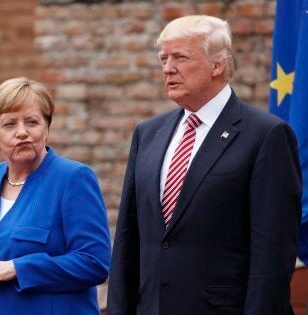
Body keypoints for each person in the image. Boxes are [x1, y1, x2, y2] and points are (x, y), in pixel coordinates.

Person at [107, 15, 302, 314]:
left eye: (180, 57)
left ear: (218, 64)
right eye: (163, 59)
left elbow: (272, 258)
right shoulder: (148, 134)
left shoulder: (266, 135)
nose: (168, 68)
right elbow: (127, 243)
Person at [0, 77, 111, 314]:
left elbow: (93, 263)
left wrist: (18, 268)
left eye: (32, 122)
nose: (22, 132)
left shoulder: (73, 178)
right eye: (9, 124)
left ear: (47, 127)